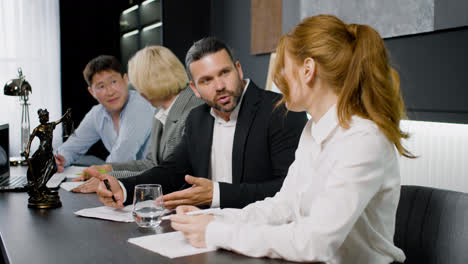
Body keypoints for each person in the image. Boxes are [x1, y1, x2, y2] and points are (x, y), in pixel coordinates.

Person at [169, 15, 414, 263]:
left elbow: (314, 242)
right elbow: (283, 206)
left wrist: (216, 232)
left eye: (284, 68)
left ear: (308, 70)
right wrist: (215, 219)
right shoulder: (312, 130)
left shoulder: (363, 140)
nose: (279, 79)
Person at [87, 37, 308, 209]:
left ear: (238, 70)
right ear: (195, 89)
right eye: (206, 80)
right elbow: (171, 171)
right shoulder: (197, 118)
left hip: (260, 234)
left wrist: (216, 194)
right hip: (204, 230)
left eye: (224, 72)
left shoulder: (281, 111)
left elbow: (290, 189)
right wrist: (123, 189)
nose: (219, 85)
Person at [72, 46, 204, 193]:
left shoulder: (193, 111)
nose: (138, 91)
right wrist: (107, 169)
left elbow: (170, 175)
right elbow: (151, 164)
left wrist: (112, 179)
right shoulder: (160, 111)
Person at [55, 55, 154, 172]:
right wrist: (61, 159)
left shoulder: (140, 105)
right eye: (101, 86)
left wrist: (98, 174)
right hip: (127, 180)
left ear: (126, 79)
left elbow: (122, 156)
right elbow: (72, 146)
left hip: (157, 183)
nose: (110, 92)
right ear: (92, 92)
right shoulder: (97, 113)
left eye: (113, 82)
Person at [23, 108, 71, 204]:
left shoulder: (50, 126)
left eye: (46, 116)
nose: (44, 118)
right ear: (40, 118)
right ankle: (40, 187)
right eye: (42, 116)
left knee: (52, 168)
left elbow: (60, 120)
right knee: (41, 170)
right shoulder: (38, 129)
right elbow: (30, 140)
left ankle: (42, 186)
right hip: (42, 152)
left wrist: (66, 114)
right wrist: (27, 150)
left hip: (49, 152)